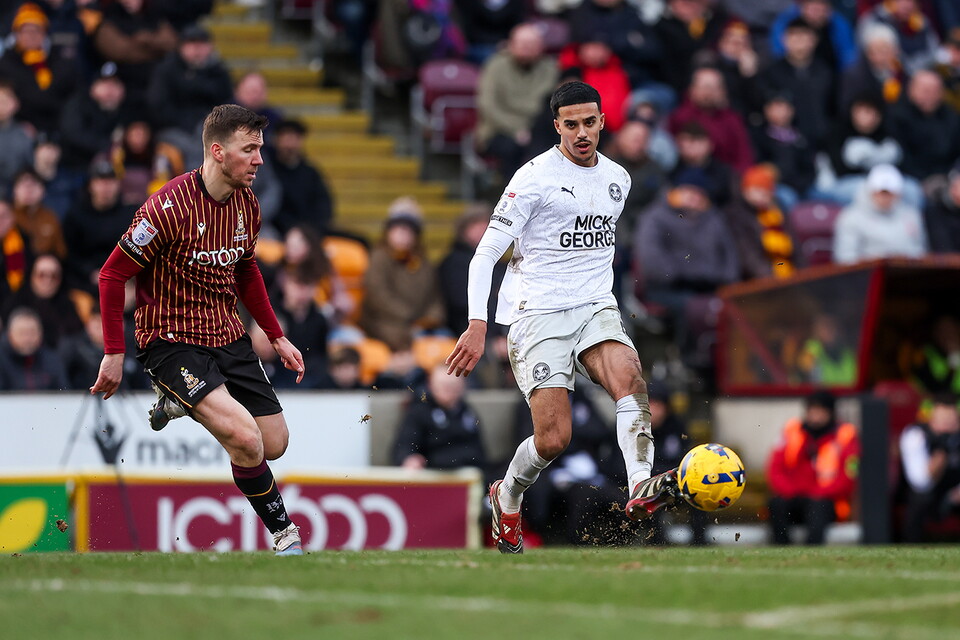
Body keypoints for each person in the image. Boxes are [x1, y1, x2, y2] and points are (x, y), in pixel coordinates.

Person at [446, 82, 680, 554]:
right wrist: (477, 323)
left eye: (589, 122)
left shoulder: (619, 178)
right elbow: (485, 254)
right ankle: (507, 493)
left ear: (601, 122)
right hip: (538, 314)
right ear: (556, 126)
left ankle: (640, 485)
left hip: (595, 305)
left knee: (631, 380)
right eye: (570, 124)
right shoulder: (532, 179)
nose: (581, 133)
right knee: (553, 438)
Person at [90, 104, 308, 556]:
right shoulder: (165, 209)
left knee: (274, 443)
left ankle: (179, 402)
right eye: (250, 150)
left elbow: (246, 271)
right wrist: (114, 351)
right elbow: (112, 275)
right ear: (217, 151)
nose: (259, 160)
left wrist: (276, 335)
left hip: (228, 335)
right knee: (246, 440)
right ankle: (286, 535)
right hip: (171, 342)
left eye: (260, 149)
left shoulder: (248, 204)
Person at [766, 390, 860, 545]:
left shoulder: (846, 436)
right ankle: (781, 549)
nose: (815, 416)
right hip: (794, 497)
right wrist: (789, 491)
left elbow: (849, 477)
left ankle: (811, 551)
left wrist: (818, 493)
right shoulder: (791, 431)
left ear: (830, 413)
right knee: (777, 504)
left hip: (827, 501)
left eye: (820, 411)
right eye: (812, 411)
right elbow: (775, 468)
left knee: (818, 508)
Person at [358, 198, 445, 352]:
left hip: (421, 324)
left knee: (444, 340)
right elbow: (378, 296)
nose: (403, 235)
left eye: (408, 231)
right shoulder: (379, 258)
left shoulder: (422, 262)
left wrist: (431, 318)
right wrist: (409, 317)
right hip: (385, 323)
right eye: (399, 230)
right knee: (406, 341)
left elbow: (434, 297)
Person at [475, 23, 559, 180]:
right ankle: (510, 197)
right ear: (511, 44)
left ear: (541, 47)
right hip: (498, 129)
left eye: (531, 44)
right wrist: (516, 129)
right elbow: (488, 106)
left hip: (537, 128)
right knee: (511, 148)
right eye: (522, 44)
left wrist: (529, 129)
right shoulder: (495, 66)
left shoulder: (550, 68)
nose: (526, 48)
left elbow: (546, 104)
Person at [391, 364, 489, 473]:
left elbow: (480, 453)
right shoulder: (419, 411)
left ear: (462, 386)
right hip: (434, 473)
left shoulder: (467, 412)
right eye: (443, 385)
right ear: (431, 385)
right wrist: (409, 459)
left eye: (452, 386)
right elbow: (404, 446)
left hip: (468, 473)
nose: (448, 390)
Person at [832, 163, 928, 264]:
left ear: (898, 193)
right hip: (869, 276)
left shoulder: (911, 215)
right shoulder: (851, 217)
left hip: (908, 274)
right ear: (870, 191)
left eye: (890, 193)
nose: (885, 198)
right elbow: (846, 259)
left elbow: (920, 251)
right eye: (881, 192)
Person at [899, 394, 960, 542]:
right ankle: (911, 546)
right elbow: (921, 482)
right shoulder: (916, 435)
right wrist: (942, 451)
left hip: (955, 491)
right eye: (942, 418)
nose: (947, 423)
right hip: (927, 493)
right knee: (921, 500)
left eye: (951, 418)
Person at [266, 119, 334, 237]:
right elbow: (272, 208)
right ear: (276, 141)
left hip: (313, 231)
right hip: (280, 231)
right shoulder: (267, 171)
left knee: (359, 241)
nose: (290, 145)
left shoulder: (310, 172)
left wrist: (315, 228)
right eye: (286, 138)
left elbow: (324, 204)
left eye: (295, 138)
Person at [0, 306, 68, 390]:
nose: (27, 338)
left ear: (40, 333)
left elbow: (64, 394)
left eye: (32, 332)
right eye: (22, 333)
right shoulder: (2, 360)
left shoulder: (52, 360)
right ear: (10, 334)